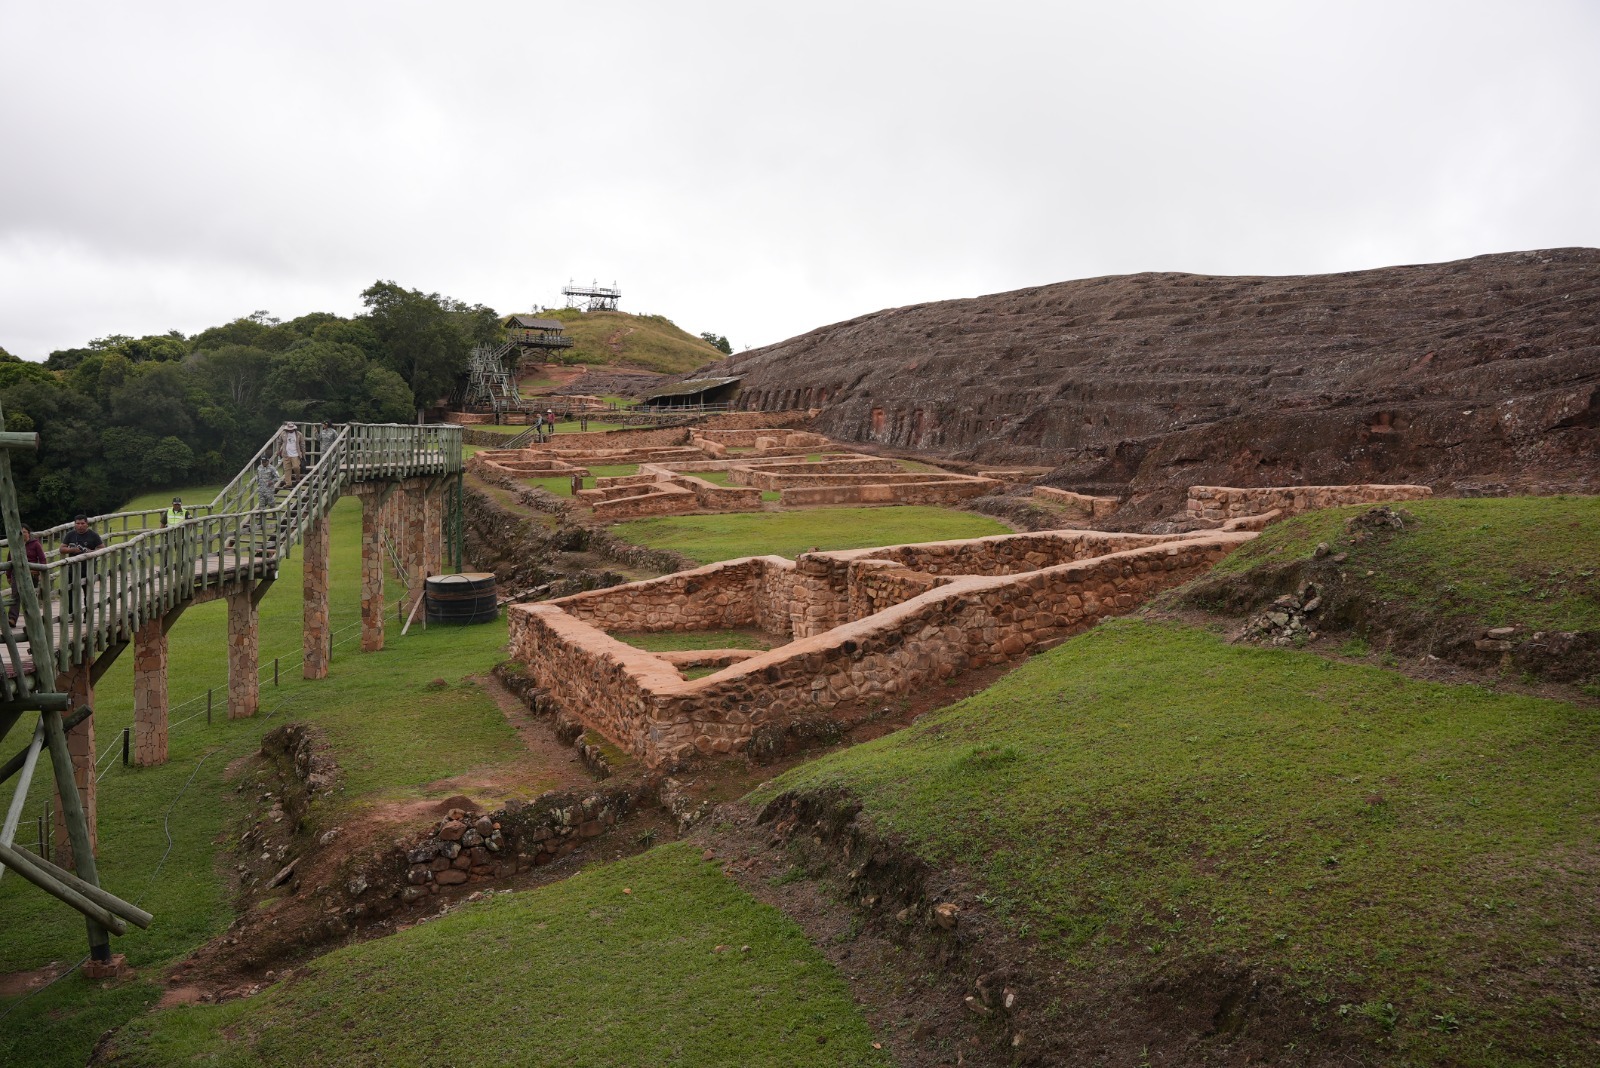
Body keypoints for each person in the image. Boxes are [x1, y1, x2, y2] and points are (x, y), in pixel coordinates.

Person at [59, 515, 103, 618]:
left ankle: (87, 616)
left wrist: (90, 552)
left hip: (88, 568)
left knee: (87, 593)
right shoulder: (70, 535)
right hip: (72, 568)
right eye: (77, 523)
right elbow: (61, 549)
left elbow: (102, 549)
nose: (80, 526)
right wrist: (72, 550)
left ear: (87, 524)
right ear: (74, 524)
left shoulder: (93, 535)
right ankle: (71, 615)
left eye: (82, 523)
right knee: (70, 592)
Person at [7, 525, 46, 627]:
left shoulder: (35, 544)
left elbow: (42, 559)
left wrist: (41, 572)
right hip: (17, 573)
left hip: (32, 573)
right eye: (20, 532)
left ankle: (34, 619)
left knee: (31, 596)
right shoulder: (14, 544)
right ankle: (12, 619)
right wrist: (8, 575)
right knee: (15, 595)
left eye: (24, 532)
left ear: (28, 533)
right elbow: (9, 560)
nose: (22, 534)